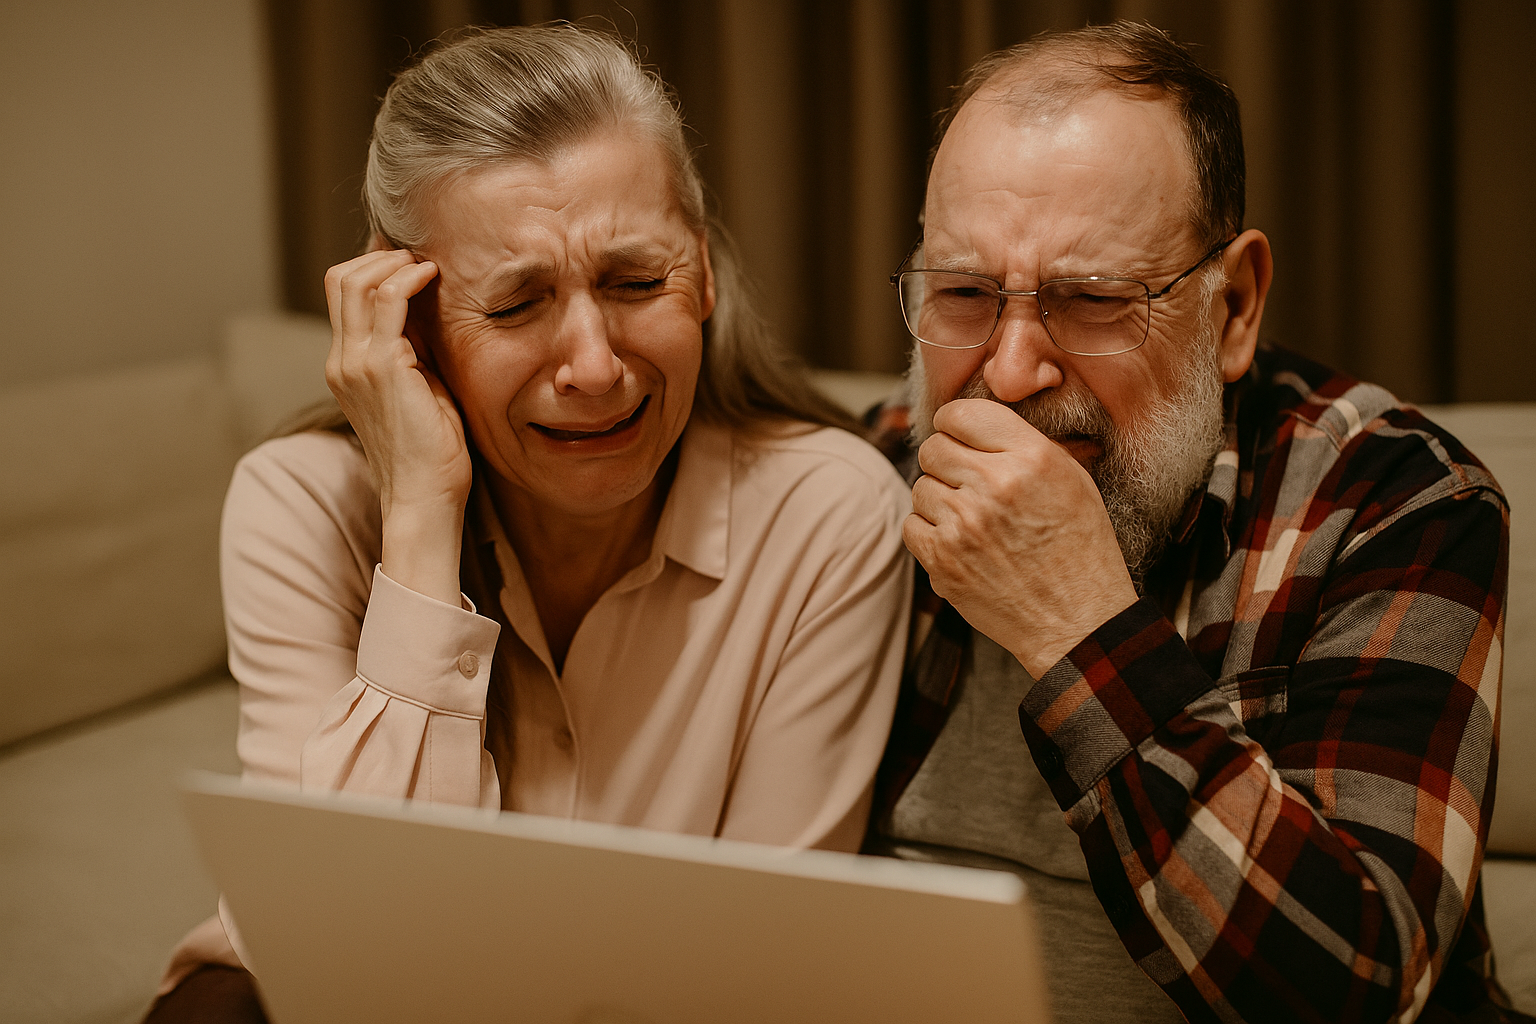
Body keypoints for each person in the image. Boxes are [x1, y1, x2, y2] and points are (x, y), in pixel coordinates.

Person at [146, 23, 911, 1021]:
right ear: (404, 322)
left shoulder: (830, 513)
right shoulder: (301, 503)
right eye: (516, 305)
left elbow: (761, 973)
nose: (595, 365)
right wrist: (420, 514)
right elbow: (341, 949)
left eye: (638, 281)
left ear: (707, 274)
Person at [867, 21, 1526, 1024]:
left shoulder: (1400, 501)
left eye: (1090, 300)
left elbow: (1357, 988)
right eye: (963, 292)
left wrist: (1076, 626)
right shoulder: (866, 471)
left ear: (1235, 306)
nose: (1008, 374)